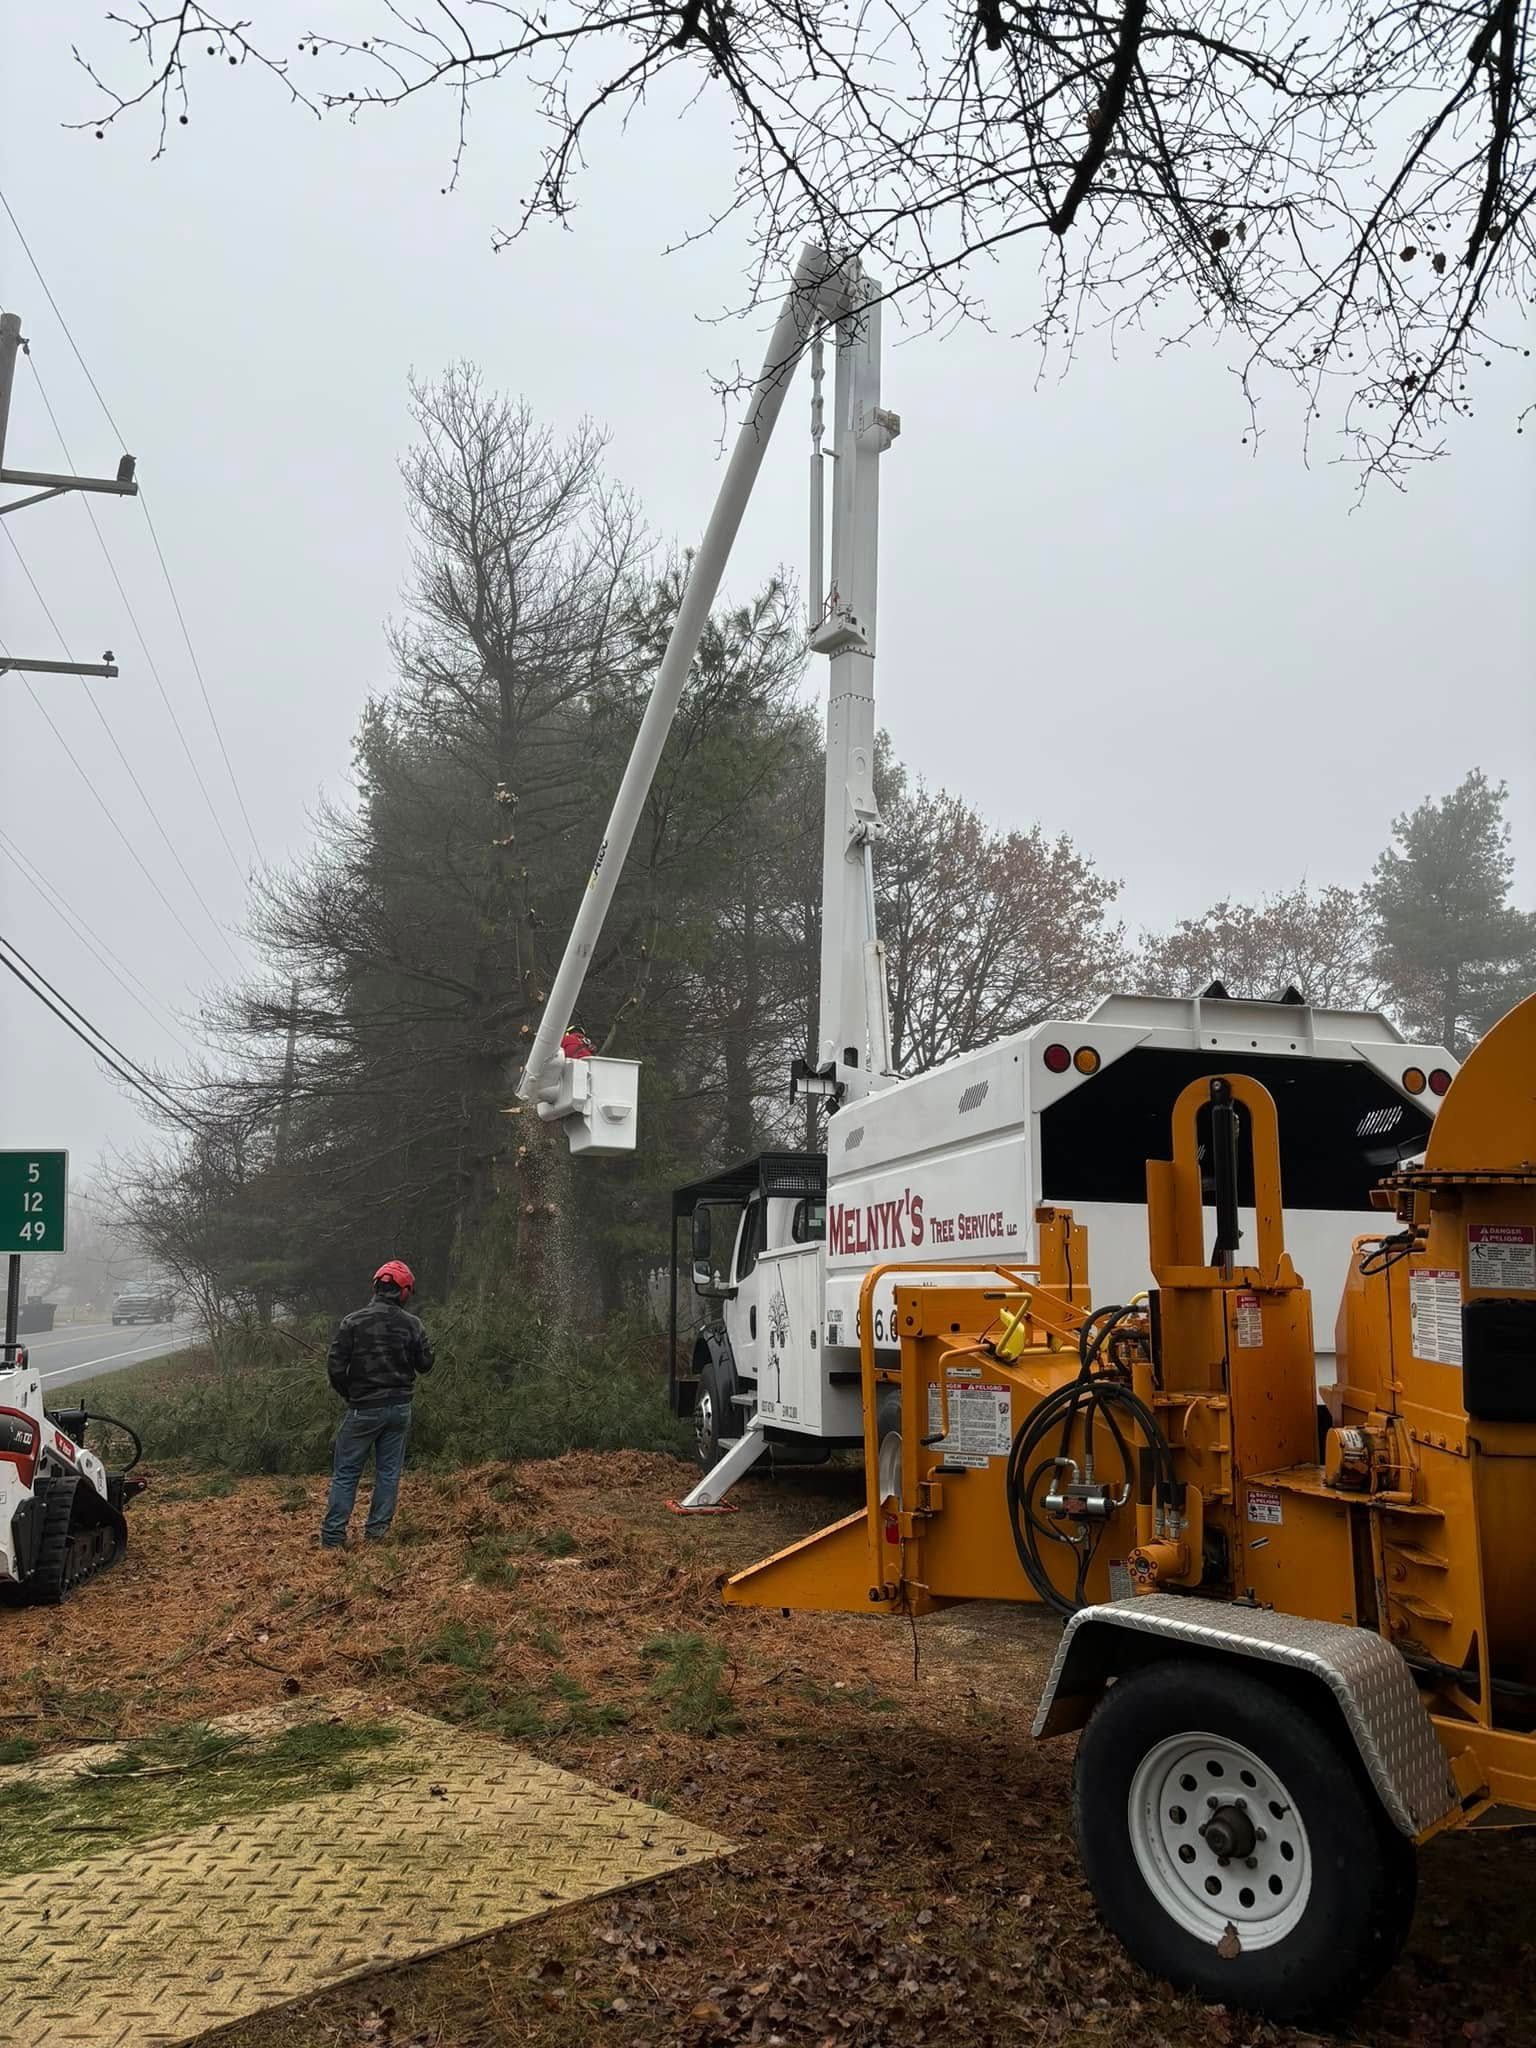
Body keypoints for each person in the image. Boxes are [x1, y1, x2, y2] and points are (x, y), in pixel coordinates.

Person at [320, 1259, 434, 1548]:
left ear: (376, 1286)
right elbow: (426, 1365)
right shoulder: (413, 1325)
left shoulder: (353, 1322)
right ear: (405, 1292)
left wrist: (350, 1394)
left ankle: (333, 1539)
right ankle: (377, 1534)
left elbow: (334, 1367)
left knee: (346, 1473)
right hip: (399, 1409)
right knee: (388, 1472)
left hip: (363, 1409)